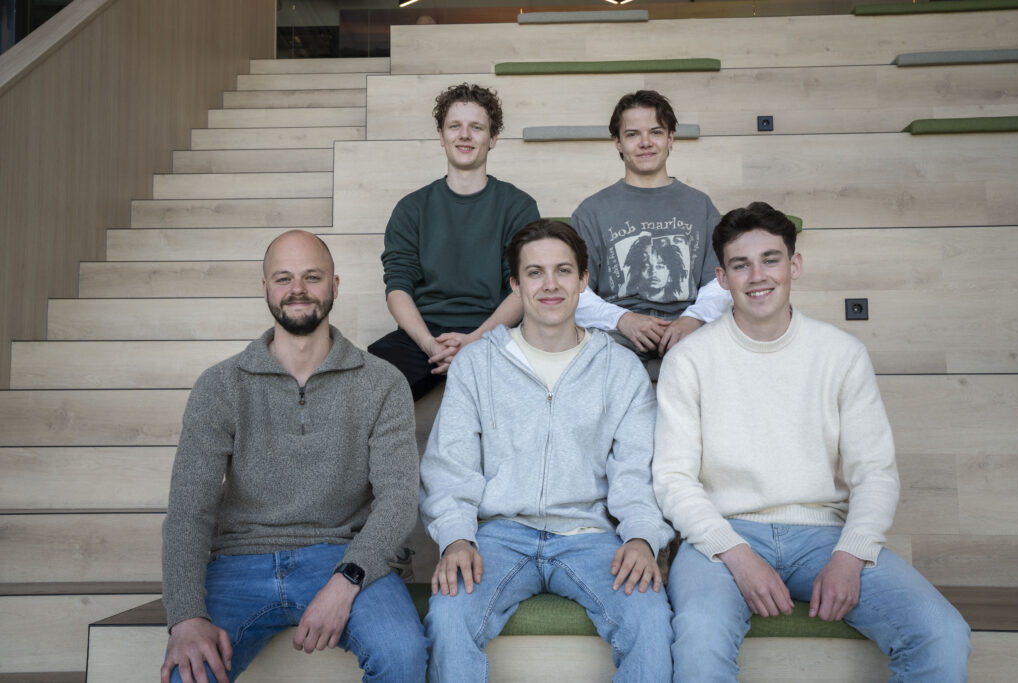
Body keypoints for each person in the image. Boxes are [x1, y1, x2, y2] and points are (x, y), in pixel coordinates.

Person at [652, 203, 971, 682]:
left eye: (771, 260)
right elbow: (673, 478)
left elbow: (875, 473)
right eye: (741, 265)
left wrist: (851, 554)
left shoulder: (842, 354)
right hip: (720, 536)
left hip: (825, 536)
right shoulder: (689, 360)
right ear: (722, 278)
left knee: (941, 633)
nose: (757, 277)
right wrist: (736, 554)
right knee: (699, 636)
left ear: (794, 265)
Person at [160, 230, 426, 683]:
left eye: (312, 277)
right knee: (187, 675)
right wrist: (185, 616)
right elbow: (189, 509)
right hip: (239, 562)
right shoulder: (220, 385)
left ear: (335, 286)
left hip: (342, 555)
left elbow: (399, 499)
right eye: (283, 278)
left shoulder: (382, 383)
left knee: (402, 655)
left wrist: (348, 578)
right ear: (265, 288)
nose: (297, 289)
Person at [420, 219, 675, 682]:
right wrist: (456, 537)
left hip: (591, 537)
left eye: (563, 270)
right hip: (497, 536)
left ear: (583, 280)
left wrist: (641, 537)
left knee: (650, 616)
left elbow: (637, 472)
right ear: (516, 286)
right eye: (535, 273)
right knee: (448, 614)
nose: (550, 284)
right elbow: (450, 466)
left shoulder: (619, 368)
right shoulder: (477, 363)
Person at [368, 83, 540, 400]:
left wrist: (475, 341)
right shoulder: (411, 208)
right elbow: (397, 287)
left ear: (493, 138)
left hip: (497, 332)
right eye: (454, 126)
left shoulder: (518, 207)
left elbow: (523, 287)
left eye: (476, 127)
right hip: (423, 335)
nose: (464, 135)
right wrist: (429, 344)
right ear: (441, 135)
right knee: (368, 379)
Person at [572, 90, 732, 376]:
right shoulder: (592, 211)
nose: (645, 142)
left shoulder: (700, 205)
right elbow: (575, 290)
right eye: (632, 134)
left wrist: (693, 319)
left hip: (688, 326)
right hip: (616, 332)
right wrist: (622, 319)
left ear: (670, 138)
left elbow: (721, 282)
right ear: (618, 143)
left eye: (656, 132)